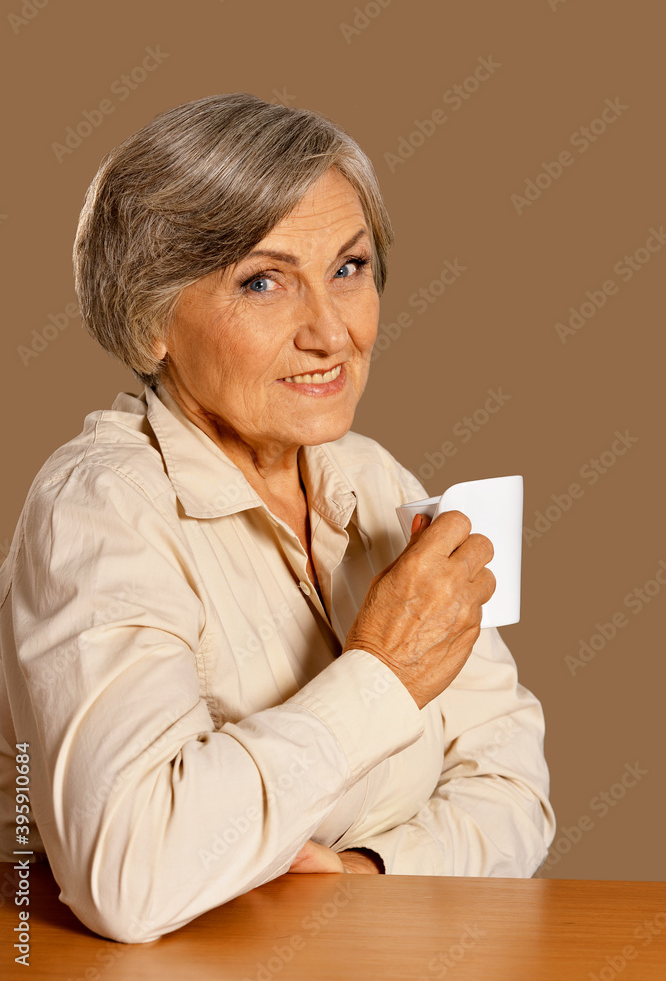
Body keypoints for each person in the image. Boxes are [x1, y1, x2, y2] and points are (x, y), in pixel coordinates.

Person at [0, 93, 555, 943]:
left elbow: (514, 788)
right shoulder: (100, 507)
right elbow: (129, 877)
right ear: (152, 320)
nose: (331, 332)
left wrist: (371, 872)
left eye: (349, 267)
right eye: (264, 281)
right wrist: (384, 673)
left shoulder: (373, 477)